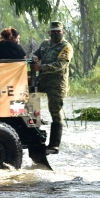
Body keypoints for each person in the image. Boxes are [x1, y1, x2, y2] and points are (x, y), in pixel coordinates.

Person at [31, 21, 73, 154]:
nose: (55, 34)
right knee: (30, 101)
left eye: (58, 31)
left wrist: (41, 67)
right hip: (42, 81)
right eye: (52, 31)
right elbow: (36, 54)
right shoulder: (45, 43)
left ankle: (54, 145)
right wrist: (35, 58)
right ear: (49, 32)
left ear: (63, 32)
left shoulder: (66, 47)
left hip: (57, 84)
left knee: (55, 111)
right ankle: (35, 132)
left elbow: (61, 65)